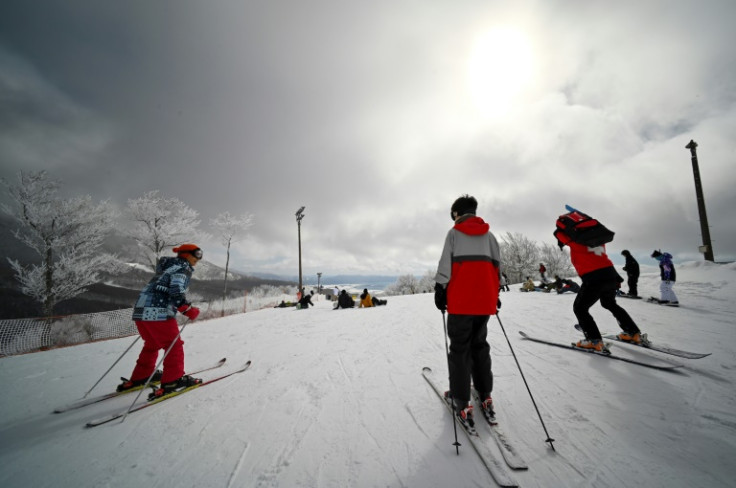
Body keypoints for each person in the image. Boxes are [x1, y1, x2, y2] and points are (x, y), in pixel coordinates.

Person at [434, 194, 500, 429]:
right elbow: (496, 269)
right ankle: (485, 394)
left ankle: (461, 400)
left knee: (460, 349)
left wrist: (440, 289)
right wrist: (495, 296)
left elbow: (445, 266)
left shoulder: (454, 234)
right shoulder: (490, 237)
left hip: (461, 303)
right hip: (484, 303)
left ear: (457, 214)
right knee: (479, 345)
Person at [119, 244, 203, 398]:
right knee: (174, 345)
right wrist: (188, 310)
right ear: (185, 254)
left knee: (152, 344)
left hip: (140, 310)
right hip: (159, 311)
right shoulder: (182, 268)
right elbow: (176, 291)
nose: (199, 258)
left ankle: (141, 377)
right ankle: (173, 381)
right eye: (197, 254)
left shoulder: (167, 267)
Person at [555, 218, 645, 351]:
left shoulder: (577, 241)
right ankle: (633, 333)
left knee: (580, 308)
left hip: (594, 277)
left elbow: (559, 234)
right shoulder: (598, 240)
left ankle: (593, 340)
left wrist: (560, 226)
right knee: (609, 303)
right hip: (611, 275)